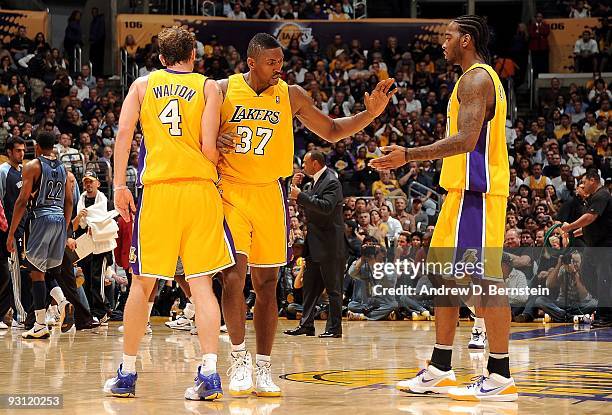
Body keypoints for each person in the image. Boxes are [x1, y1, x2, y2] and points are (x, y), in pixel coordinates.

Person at [216, 33, 396, 397]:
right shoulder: (221, 90)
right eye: (272, 63)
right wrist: (213, 137)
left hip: (270, 193)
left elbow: (330, 130)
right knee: (233, 277)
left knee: (267, 286)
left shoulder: (291, 94)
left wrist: (370, 114)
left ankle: (264, 366)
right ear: (251, 62)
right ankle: (238, 359)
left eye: (281, 62)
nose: (279, 68)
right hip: (231, 192)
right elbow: (190, 130)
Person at [371, 15, 517, 401]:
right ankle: (440, 367)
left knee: (484, 279)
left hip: (478, 192)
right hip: (459, 191)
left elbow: (468, 141)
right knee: (441, 274)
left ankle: (500, 373)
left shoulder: (477, 79)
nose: (443, 42)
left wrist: (408, 155)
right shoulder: (469, 79)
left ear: (466, 40)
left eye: (448, 36)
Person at [103, 26, 235, 401]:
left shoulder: (142, 86)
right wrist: (220, 155)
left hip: (159, 192)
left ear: (161, 58)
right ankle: (209, 374)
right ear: (194, 55)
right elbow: (210, 147)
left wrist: (119, 185)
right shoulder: (209, 87)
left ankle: (127, 373)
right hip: (200, 191)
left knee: (142, 285)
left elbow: (124, 134)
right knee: (202, 286)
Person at [6, 132, 74, 339]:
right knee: (46, 272)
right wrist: (66, 227)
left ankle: (48, 316)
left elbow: (21, 201)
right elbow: (69, 201)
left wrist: (11, 233)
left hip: (40, 218)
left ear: (36, 147)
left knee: (35, 271)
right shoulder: (64, 169)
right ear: (53, 146)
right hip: (59, 220)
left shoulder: (32, 166)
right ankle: (44, 321)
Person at [284, 151, 345, 338]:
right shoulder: (315, 182)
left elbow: (325, 207)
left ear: (316, 163)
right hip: (315, 245)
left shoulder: (332, 181)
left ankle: (334, 329)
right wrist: (294, 186)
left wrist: (300, 195)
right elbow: (308, 203)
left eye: (305, 162)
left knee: (334, 290)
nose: (302, 166)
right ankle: (306, 325)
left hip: (330, 246)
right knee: (310, 288)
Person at [561, 169, 612, 328]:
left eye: (584, 182)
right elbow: (590, 226)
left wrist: (569, 227)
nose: (582, 185)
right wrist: (573, 233)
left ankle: (606, 314)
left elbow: (590, 218)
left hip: (605, 245)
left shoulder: (602, 194)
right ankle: (606, 308)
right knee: (586, 274)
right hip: (593, 246)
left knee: (604, 280)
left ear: (593, 180)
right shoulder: (594, 198)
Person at [0, 137, 29, 328]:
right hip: (8, 230)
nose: (22, 154)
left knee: (20, 273)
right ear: (9, 152)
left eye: (23, 150)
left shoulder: (23, 171)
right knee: (11, 272)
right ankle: (19, 315)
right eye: (18, 150)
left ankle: (13, 313)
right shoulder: (3, 172)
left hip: (23, 229)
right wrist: (6, 230)